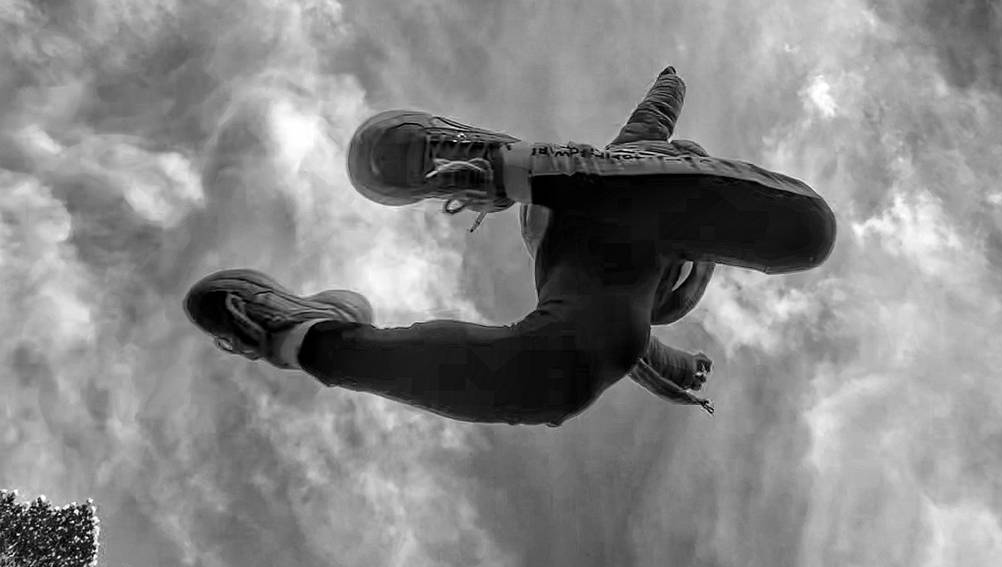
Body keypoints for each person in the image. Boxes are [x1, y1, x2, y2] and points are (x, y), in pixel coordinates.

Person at [182, 67, 836, 427]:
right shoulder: (640, 157)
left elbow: (635, 355)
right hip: (574, 212)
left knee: (560, 380)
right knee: (806, 228)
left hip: (595, 264)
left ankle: (309, 339)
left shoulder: (641, 304)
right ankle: (491, 164)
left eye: (688, 160)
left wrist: (683, 377)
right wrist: (670, 90)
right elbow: (649, 127)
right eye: (682, 158)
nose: (686, 158)